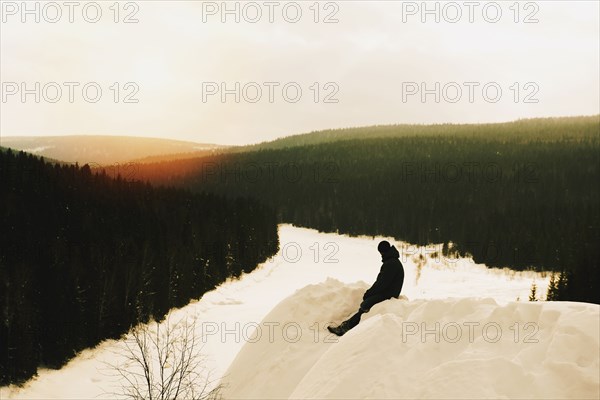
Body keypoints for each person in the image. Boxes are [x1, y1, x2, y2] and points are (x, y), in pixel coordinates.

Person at [327, 240, 404, 336]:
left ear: (382, 252)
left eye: (380, 253)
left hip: (388, 294)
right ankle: (347, 325)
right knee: (366, 304)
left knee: (365, 305)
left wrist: (369, 293)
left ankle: (347, 328)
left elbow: (381, 284)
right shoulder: (392, 261)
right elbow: (382, 283)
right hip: (388, 292)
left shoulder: (391, 264)